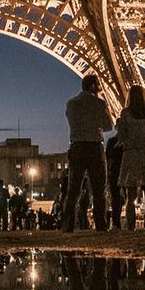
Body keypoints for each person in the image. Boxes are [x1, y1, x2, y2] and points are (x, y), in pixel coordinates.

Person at [62, 74, 112, 232]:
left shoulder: (71, 103)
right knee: (98, 190)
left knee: (73, 190)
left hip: (76, 147)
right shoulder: (99, 103)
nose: (100, 87)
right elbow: (109, 126)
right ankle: (101, 225)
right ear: (92, 86)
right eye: (98, 84)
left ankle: (67, 225)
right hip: (94, 148)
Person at [116, 85, 145, 232]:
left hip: (131, 155)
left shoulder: (126, 113)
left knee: (130, 196)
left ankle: (131, 227)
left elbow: (121, 137)